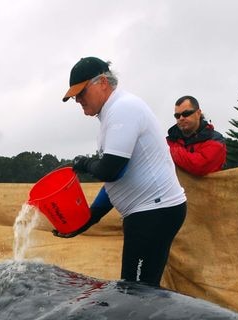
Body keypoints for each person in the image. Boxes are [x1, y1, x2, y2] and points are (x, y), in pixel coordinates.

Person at [57, 57, 186, 287]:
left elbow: (110, 170)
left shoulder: (123, 108)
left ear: (103, 83)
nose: (77, 100)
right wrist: (89, 219)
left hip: (154, 211)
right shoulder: (112, 114)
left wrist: (84, 163)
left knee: (136, 292)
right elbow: (116, 181)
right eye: (74, 96)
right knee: (136, 289)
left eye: (81, 92)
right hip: (148, 212)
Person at [166, 95, 227, 176]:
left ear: (198, 113)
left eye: (186, 113)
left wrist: (168, 151)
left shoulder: (216, 140)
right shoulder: (169, 141)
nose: (181, 118)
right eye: (177, 115)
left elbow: (199, 166)